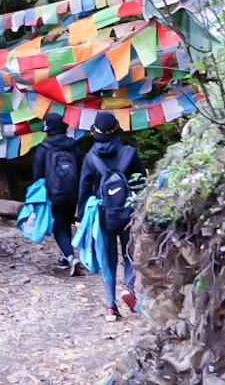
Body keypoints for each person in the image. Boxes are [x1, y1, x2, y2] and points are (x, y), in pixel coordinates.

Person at [77, 113, 146, 321]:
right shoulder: (130, 153)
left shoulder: (90, 157)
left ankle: (110, 306)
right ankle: (129, 288)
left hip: (101, 214)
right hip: (127, 211)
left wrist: (80, 215)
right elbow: (140, 183)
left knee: (107, 258)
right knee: (129, 254)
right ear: (117, 131)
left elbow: (84, 188)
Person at [32, 114, 82, 274]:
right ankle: (63, 257)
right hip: (73, 192)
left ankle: (70, 256)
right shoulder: (74, 146)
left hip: (53, 194)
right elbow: (81, 169)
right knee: (66, 222)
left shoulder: (44, 148)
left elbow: (37, 175)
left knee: (59, 227)